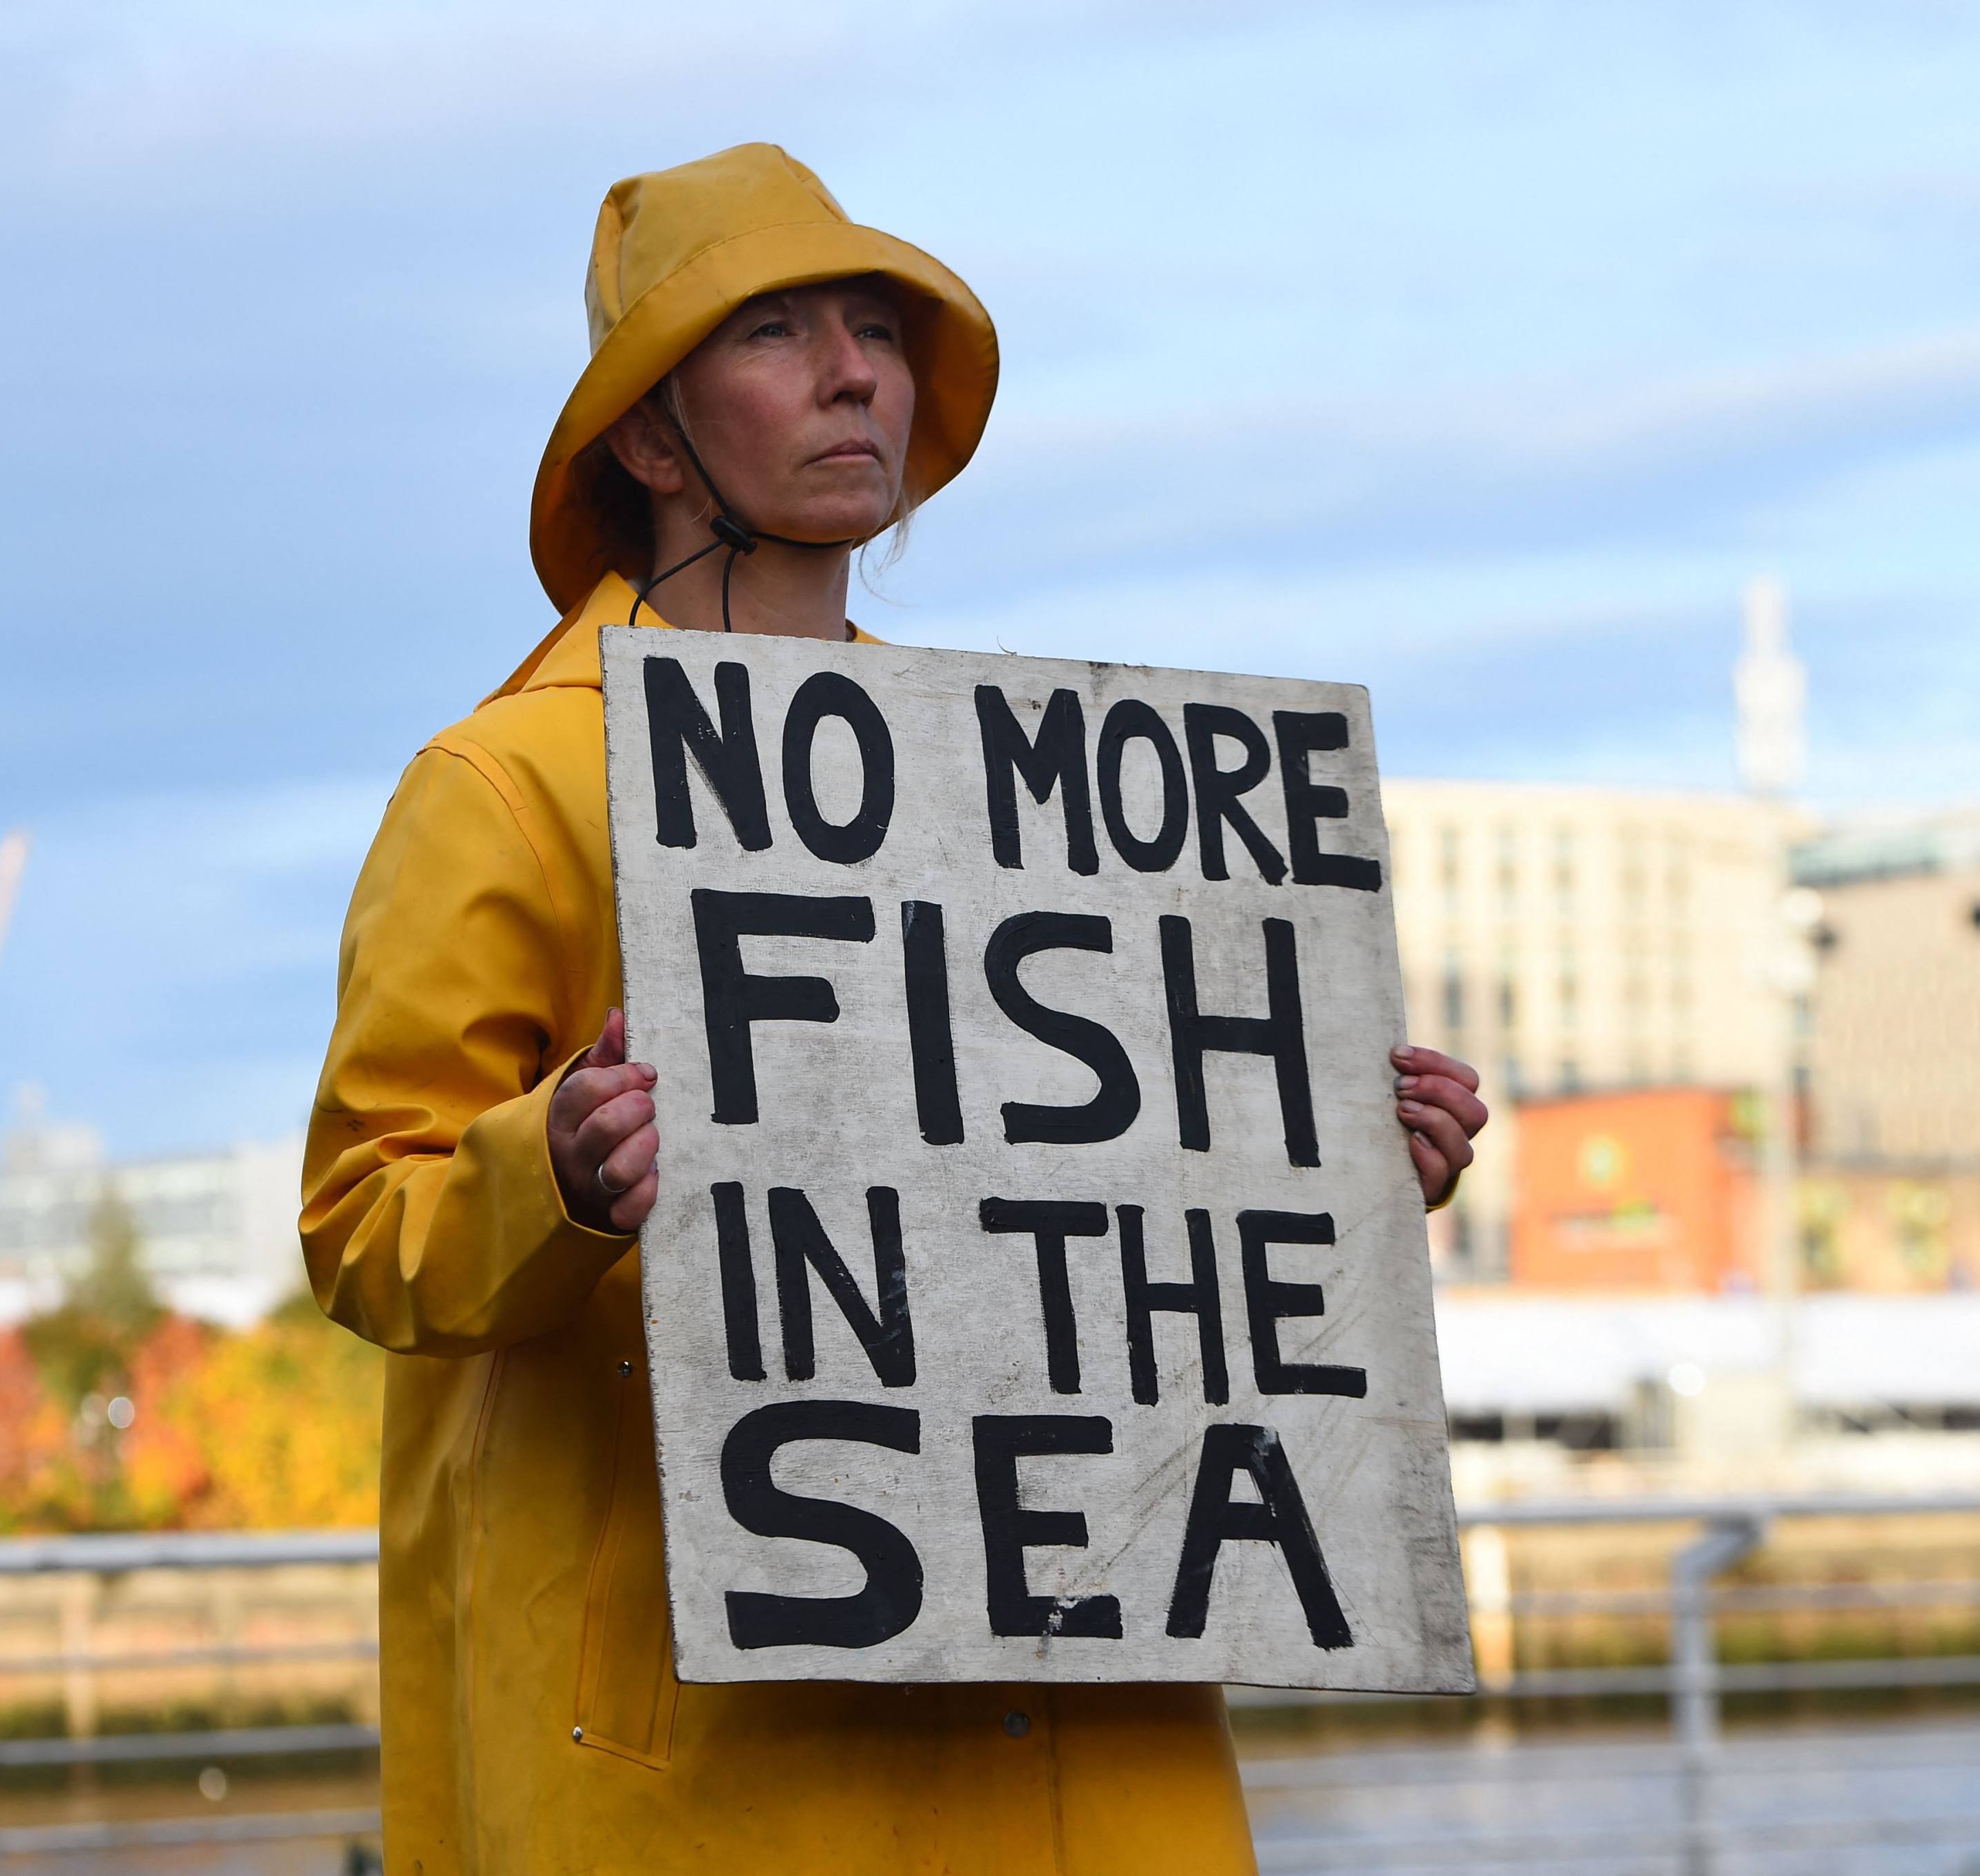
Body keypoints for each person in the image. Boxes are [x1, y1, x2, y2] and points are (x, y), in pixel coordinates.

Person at [302, 143, 1489, 1876]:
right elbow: (359, 1224)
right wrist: (548, 1167)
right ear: (647, 433)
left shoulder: (1021, 793)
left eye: (875, 327)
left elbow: (1101, 1222)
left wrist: (1332, 1146)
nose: (854, 369)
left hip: (1081, 1743)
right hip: (714, 1770)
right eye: (772, 331)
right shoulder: (509, 785)